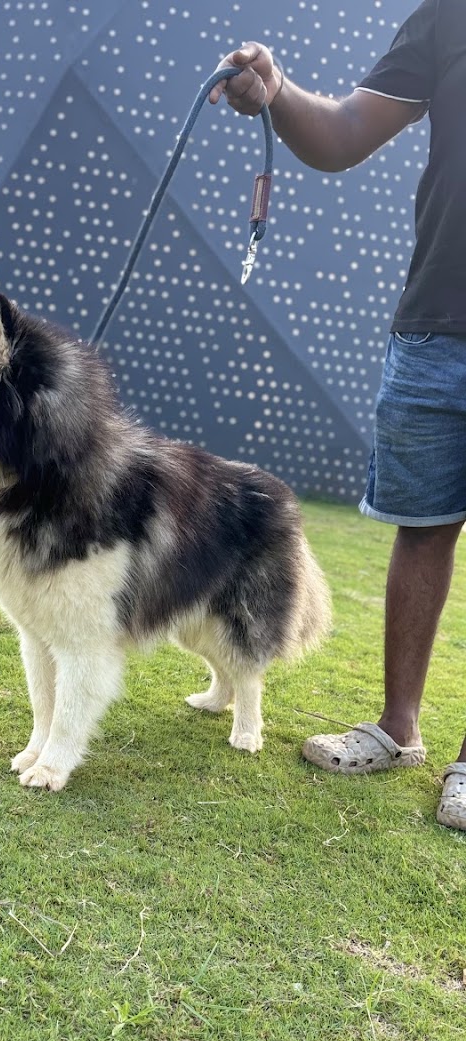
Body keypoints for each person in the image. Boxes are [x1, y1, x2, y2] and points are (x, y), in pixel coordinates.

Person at [210, 0, 466, 832]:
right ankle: (398, 729)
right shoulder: (446, 17)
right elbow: (345, 133)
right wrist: (277, 91)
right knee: (421, 528)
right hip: (435, 328)